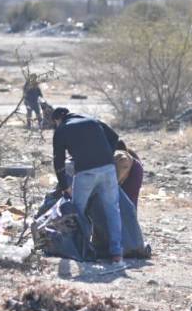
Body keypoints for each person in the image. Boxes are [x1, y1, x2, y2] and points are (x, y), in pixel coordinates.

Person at [51, 107, 125, 269]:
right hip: (108, 168)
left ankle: (84, 251)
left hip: (85, 173)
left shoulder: (62, 130)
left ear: (57, 120)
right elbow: (114, 137)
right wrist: (104, 155)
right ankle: (117, 254)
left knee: (78, 211)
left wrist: (65, 186)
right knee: (112, 209)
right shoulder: (91, 120)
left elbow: (58, 161)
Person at [114, 140, 144, 209]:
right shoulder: (131, 156)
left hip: (129, 173)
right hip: (136, 171)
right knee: (131, 202)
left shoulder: (120, 157)